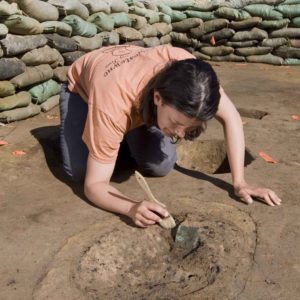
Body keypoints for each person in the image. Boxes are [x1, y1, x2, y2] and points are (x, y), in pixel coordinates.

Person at [59, 44, 282, 228]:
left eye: (188, 127)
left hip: (134, 95)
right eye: (176, 124)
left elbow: (231, 118)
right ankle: (103, 136)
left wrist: (240, 183)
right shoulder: (112, 103)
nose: (180, 135)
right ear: (158, 98)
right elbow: (95, 185)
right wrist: (130, 207)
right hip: (85, 90)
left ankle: (114, 139)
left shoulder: (196, 81)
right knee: (79, 172)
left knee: (161, 166)